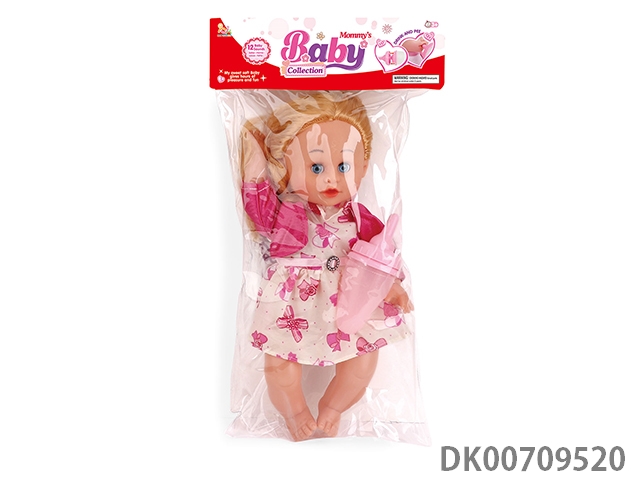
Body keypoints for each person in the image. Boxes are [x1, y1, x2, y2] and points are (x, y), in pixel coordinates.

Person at [240, 92, 412, 441]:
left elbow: (379, 258)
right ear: (286, 167)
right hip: (291, 301)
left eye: (343, 167)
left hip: (350, 298)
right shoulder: (289, 212)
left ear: (363, 166)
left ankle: (333, 407)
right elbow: (258, 204)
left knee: (363, 360)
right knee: (279, 365)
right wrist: (255, 154)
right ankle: (295, 413)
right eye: (316, 168)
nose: (331, 179)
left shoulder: (360, 219)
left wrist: (391, 286)